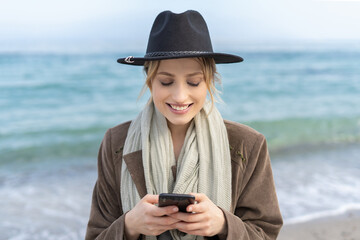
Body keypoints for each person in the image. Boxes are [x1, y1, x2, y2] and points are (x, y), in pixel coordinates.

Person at [85, 10, 283, 240]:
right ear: (150, 82)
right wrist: (129, 225)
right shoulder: (116, 142)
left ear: (209, 82)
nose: (180, 95)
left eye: (193, 82)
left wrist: (223, 224)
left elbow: (265, 234)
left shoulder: (248, 145)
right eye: (166, 81)